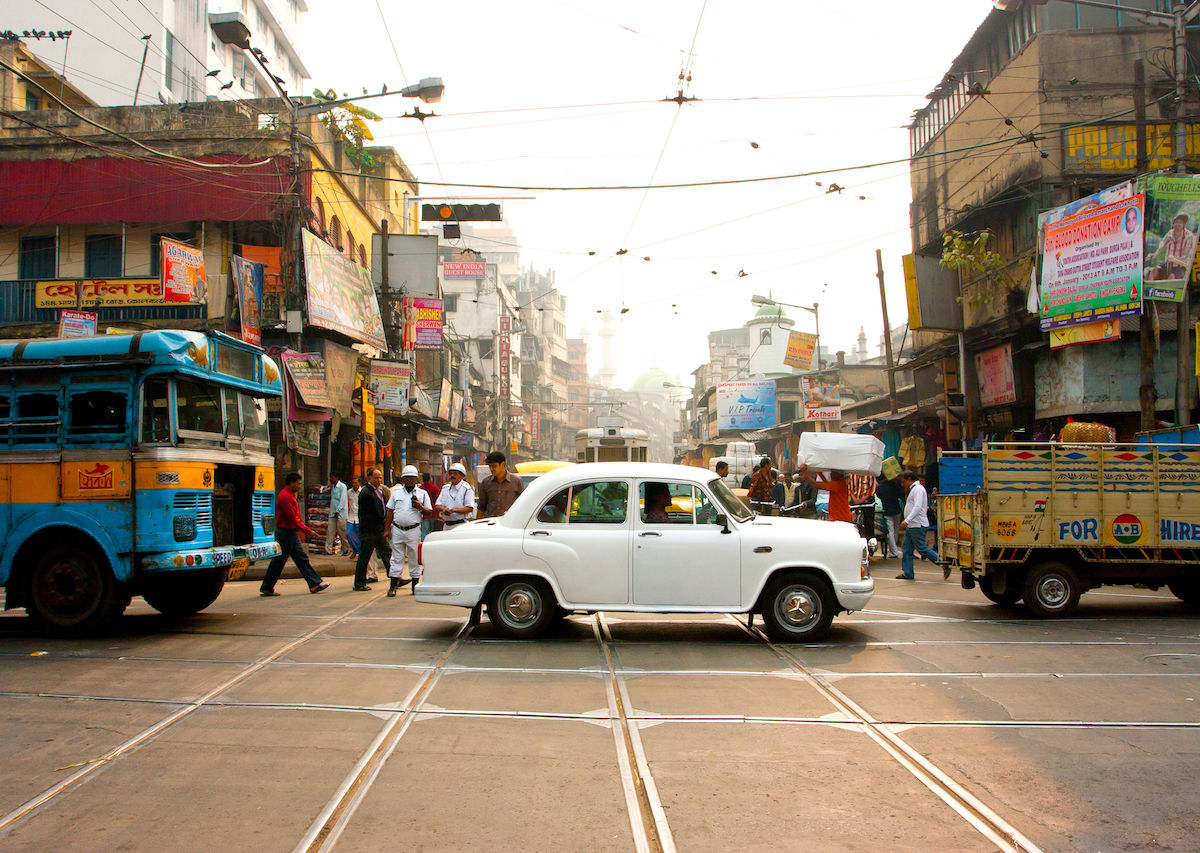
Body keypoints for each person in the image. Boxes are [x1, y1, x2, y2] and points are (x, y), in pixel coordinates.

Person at [259, 473, 329, 596]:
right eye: (298, 483)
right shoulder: (285, 497)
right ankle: (267, 586)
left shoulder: (289, 495)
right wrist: (309, 531)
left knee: (298, 558)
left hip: (290, 532)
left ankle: (313, 584)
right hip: (286, 532)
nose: (299, 486)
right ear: (291, 482)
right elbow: (293, 519)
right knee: (281, 561)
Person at [386, 465, 433, 595]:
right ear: (403, 479)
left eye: (412, 478)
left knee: (414, 557)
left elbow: (429, 512)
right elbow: (389, 511)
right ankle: (393, 586)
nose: (409, 481)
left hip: (413, 530)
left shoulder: (422, 494)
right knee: (396, 557)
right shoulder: (396, 494)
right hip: (397, 529)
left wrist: (420, 507)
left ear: (416, 479)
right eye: (407, 478)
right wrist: (386, 529)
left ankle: (415, 585)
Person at [353, 467, 392, 592]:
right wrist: (386, 521)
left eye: (380, 478)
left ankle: (395, 577)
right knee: (364, 557)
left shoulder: (380, 491)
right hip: (369, 530)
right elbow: (376, 511)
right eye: (376, 478)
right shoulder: (366, 493)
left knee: (387, 552)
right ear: (369, 478)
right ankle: (359, 583)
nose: (379, 480)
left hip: (378, 529)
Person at [898, 470, 941, 580]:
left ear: (909, 479)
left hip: (917, 524)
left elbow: (917, 507)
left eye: (903, 482)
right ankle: (908, 573)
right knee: (907, 549)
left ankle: (942, 562)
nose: (903, 485)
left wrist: (907, 520)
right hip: (912, 525)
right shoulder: (914, 489)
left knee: (922, 549)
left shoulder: (917, 489)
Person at [1148, 212, 1196, 280]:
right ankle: (1149, 288)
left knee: (1172, 277)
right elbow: (1162, 244)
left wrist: (1175, 259)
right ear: (1173, 224)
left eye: (1180, 223)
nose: (1177, 225)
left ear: (1183, 224)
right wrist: (1155, 254)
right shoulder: (1170, 233)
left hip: (1180, 266)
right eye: (1176, 222)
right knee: (1154, 271)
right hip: (1168, 264)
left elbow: (1185, 256)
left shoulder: (1189, 236)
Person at [477, 450, 523, 518]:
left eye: (494, 466)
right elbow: (481, 507)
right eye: (489, 466)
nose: (491, 469)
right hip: (491, 523)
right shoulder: (486, 482)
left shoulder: (516, 481)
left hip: (510, 522)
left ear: (502, 464)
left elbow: (521, 504)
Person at [436, 462, 475, 529]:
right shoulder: (445, 488)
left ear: (462, 476)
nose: (452, 476)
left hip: (461, 525)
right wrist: (444, 509)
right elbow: (437, 505)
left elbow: (469, 508)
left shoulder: (467, 489)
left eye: (455, 474)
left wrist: (453, 510)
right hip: (446, 525)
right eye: (451, 474)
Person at [877, 474, 904, 559]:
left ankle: (894, 551)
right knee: (895, 530)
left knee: (890, 531)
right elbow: (900, 494)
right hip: (897, 508)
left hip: (887, 510)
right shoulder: (895, 484)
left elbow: (878, 496)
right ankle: (893, 549)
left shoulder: (880, 487)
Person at [324, 473, 350, 556]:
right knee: (330, 531)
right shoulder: (333, 488)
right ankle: (328, 549)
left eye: (331, 477)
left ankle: (346, 549)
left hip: (341, 514)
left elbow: (343, 500)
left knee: (342, 532)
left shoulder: (342, 487)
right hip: (332, 513)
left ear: (336, 477)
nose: (330, 479)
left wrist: (338, 510)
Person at [847, 474, 876, 544]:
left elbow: (872, 490)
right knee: (851, 520)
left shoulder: (870, 475)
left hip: (867, 501)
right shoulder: (852, 475)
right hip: (855, 500)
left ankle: (870, 542)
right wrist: (855, 499)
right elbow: (850, 488)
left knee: (869, 523)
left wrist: (862, 499)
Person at [419, 471, 441, 538]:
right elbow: (438, 501)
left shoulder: (420, 489)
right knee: (434, 533)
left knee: (425, 533)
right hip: (434, 514)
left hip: (424, 515)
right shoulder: (435, 488)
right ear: (430, 479)